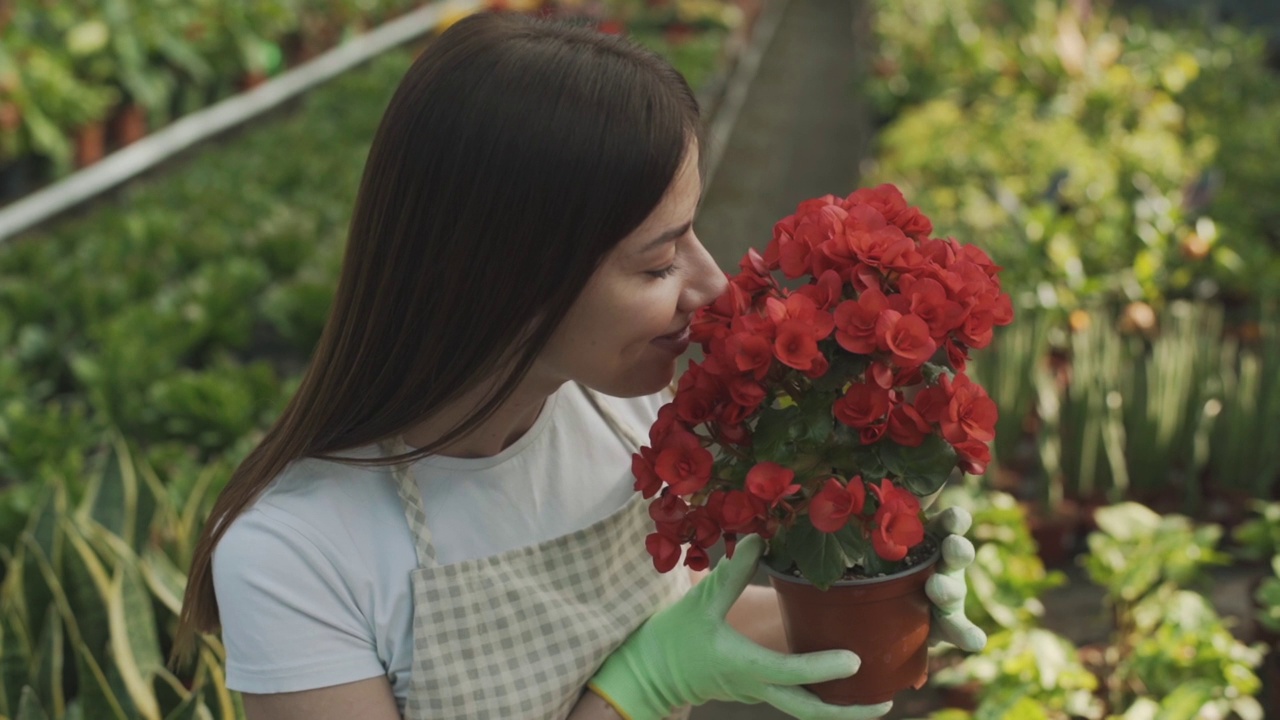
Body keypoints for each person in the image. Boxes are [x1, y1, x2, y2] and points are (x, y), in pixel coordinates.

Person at [174, 11, 986, 720]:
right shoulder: (295, 554)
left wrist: (877, 603)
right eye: (658, 263)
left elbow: (686, 633)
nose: (710, 286)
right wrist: (643, 689)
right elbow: (661, 663)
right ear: (512, 279)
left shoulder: (629, 417)